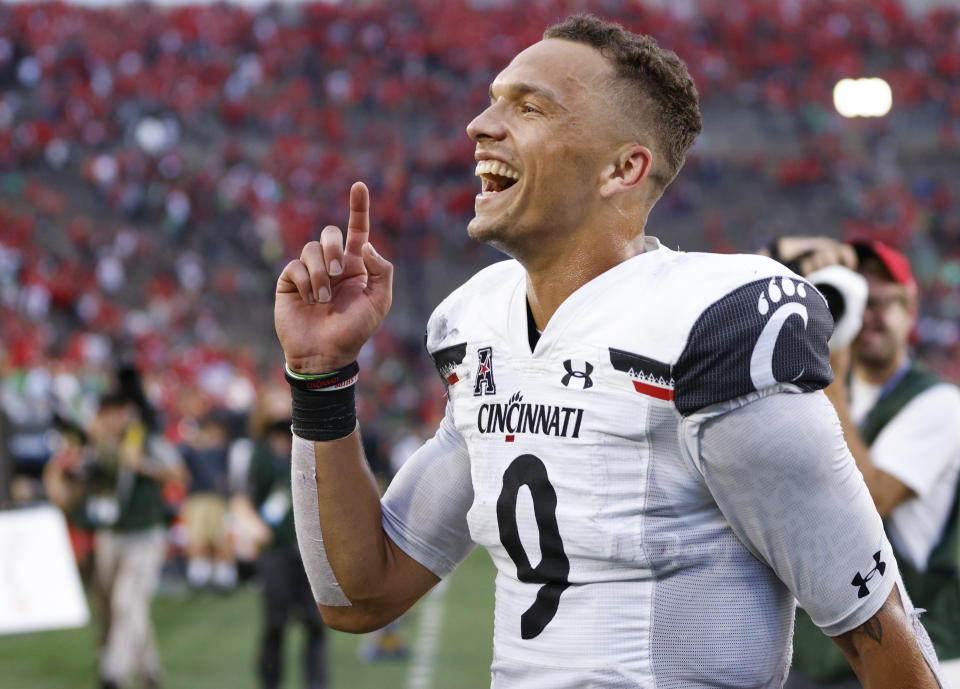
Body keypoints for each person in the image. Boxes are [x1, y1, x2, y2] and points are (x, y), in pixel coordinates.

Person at [274, 15, 947, 688]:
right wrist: (320, 374)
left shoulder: (709, 333)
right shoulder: (480, 326)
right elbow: (361, 593)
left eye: (529, 105)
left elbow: (881, 638)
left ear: (624, 167)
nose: (481, 123)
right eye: (494, 97)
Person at [765, 237, 960, 688]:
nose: (866, 313)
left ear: (911, 310)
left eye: (882, 301)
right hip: (819, 656)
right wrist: (779, 251)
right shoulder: (824, 389)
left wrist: (827, 357)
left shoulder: (941, 403)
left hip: (910, 659)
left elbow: (867, 501)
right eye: (854, 297)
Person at [44, 392, 186, 689]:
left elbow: (179, 475)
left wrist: (141, 464)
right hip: (108, 535)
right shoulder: (91, 447)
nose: (111, 419)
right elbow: (66, 488)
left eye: (117, 412)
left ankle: (114, 673)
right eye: (105, 413)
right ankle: (150, 671)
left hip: (145, 533)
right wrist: (60, 475)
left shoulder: (145, 439)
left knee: (127, 601)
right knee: (115, 606)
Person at [232, 416, 328, 689]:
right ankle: (270, 681)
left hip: (311, 548)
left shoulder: (312, 447)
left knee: (316, 620)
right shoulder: (257, 455)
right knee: (275, 620)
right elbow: (242, 497)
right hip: (275, 549)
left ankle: (317, 683)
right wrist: (253, 527)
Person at [179, 409, 237, 591]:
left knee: (221, 539)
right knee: (198, 539)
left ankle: (224, 580)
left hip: (219, 500)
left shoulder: (226, 451)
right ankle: (200, 580)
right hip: (197, 499)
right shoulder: (191, 450)